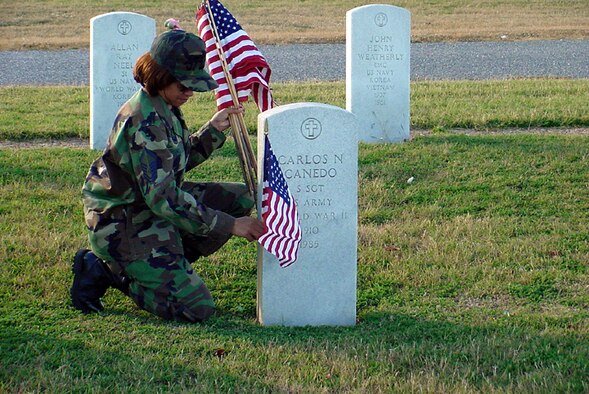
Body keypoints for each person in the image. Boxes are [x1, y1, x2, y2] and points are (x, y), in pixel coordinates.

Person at [70, 28, 265, 323]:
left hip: (148, 206)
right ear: (160, 77)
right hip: (123, 221)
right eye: (184, 86)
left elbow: (175, 162)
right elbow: (164, 198)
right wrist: (231, 225)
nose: (189, 93)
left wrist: (213, 129)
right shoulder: (145, 123)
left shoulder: (163, 105)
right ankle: (112, 271)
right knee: (195, 308)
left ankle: (166, 260)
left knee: (239, 198)